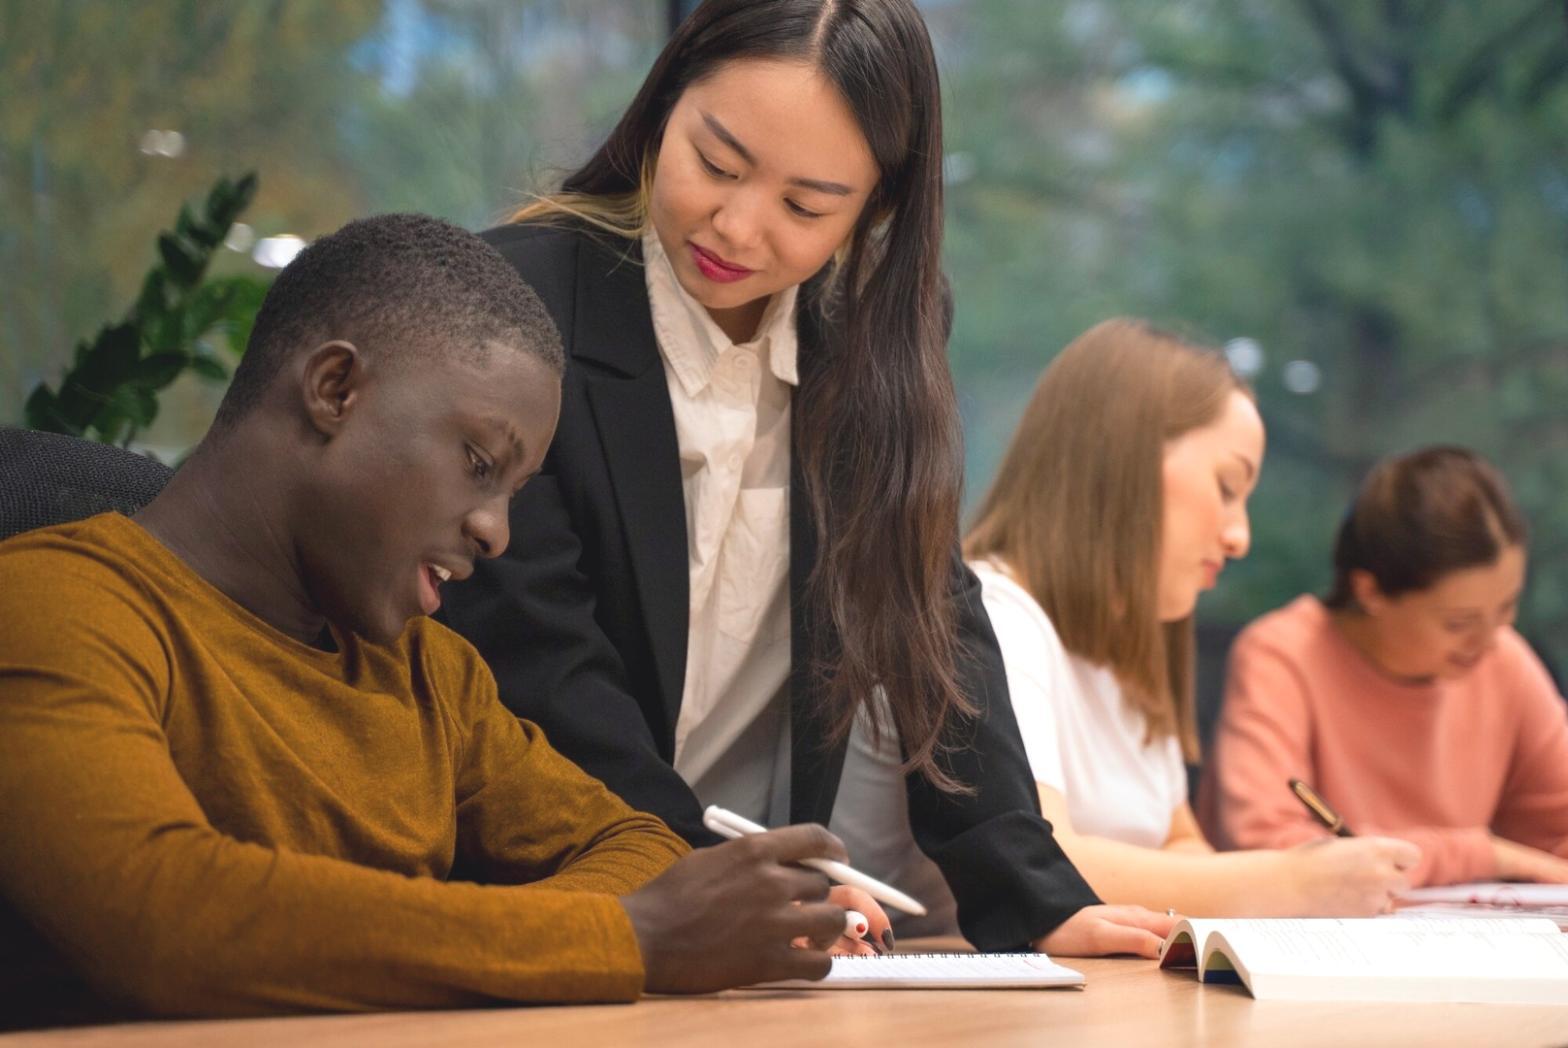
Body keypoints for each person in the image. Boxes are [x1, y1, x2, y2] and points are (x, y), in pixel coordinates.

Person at [0, 214, 869, 1030]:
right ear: (335, 389)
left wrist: (531, 937)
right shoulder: (56, 603)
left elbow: (635, 844)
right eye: (479, 464)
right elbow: (161, 916)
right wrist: (628, 938)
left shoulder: (431, 674)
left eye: (513, 493)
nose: (496, 532)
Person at [441, 0, 1170, 955]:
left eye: (806, 207)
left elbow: (932, 612)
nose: (738, 228)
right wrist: (712, 881)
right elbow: (540, 663)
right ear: (663, 104)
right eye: (717, 163)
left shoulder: (870, 332)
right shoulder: (517, 305)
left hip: (750, 924)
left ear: (877, 207)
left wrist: (1037, 899)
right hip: (531, 894)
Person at [962, 319, 1419, 917]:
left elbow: (1179, 843)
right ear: (1122, 461)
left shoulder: (1124, 645)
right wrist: (1292, 881)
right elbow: (1037, 864)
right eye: (1227, 487)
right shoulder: (994, 617)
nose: (1240, 537)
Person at [1199, 446, 1568, 887]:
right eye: (1459, 622)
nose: (1488, 640)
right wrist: (1480, 854)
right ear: (1369, 591)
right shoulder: (1282, 657)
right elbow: (1267, 845)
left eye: (1507, 608)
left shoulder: (1504, 660)